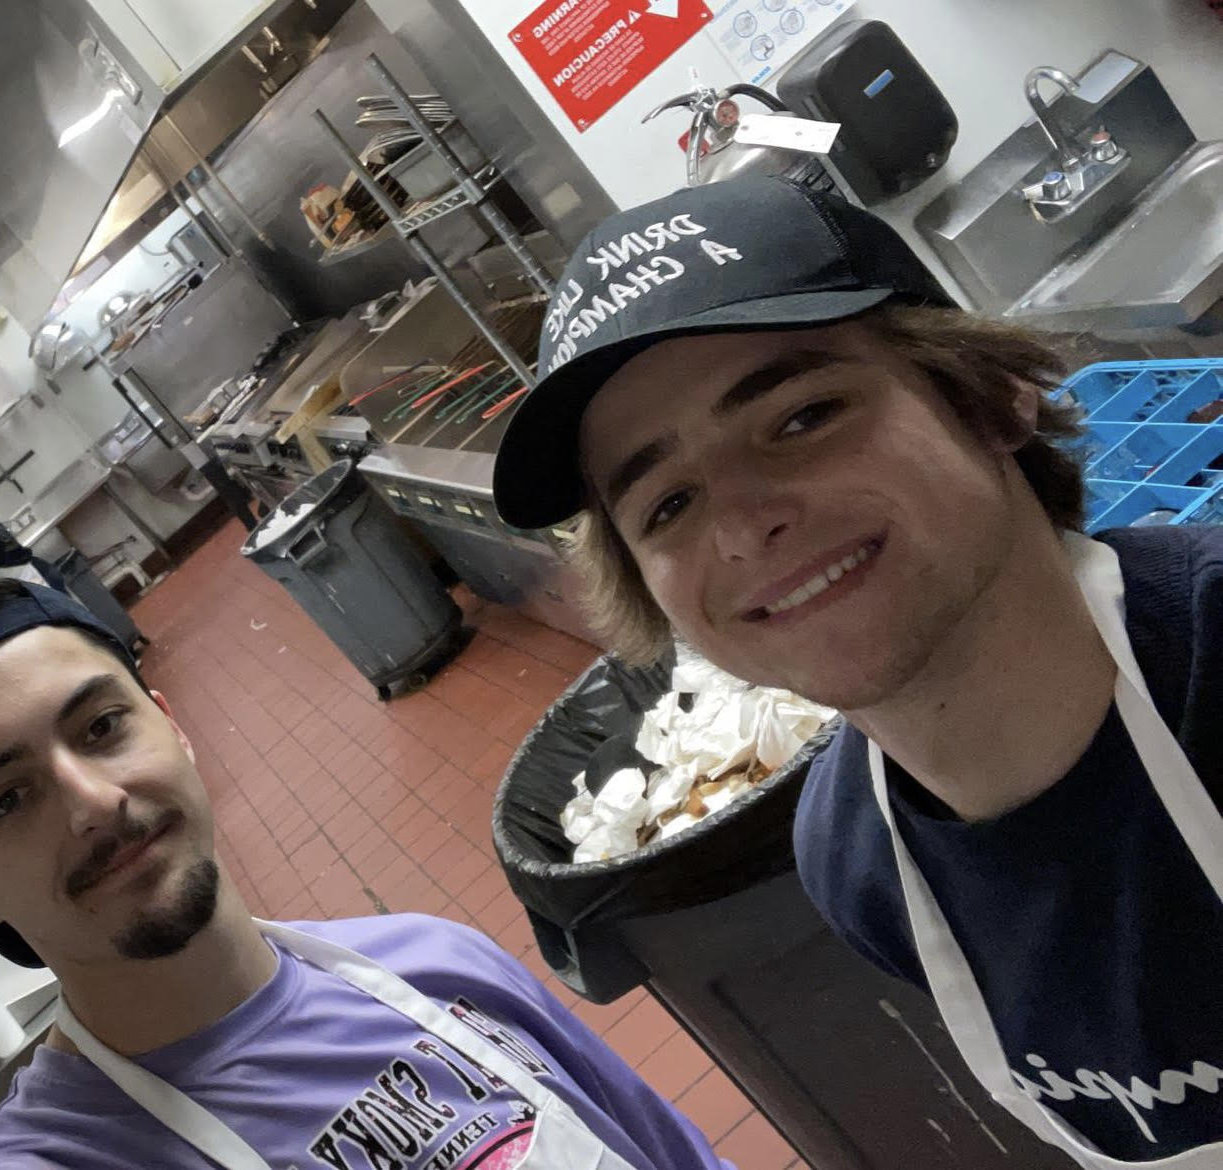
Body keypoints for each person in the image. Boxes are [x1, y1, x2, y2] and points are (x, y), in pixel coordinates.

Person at [490, 174, 1222, 1165]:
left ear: (989, 399)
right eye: (668, 505)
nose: (743, 526)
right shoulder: (859, 865)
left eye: (804, 416)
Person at [0, 578, 730, 1170]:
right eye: (8, 800)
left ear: (173, 728)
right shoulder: (69, 1155)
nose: (92, 802)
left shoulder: (430, 963)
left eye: (100, 729)